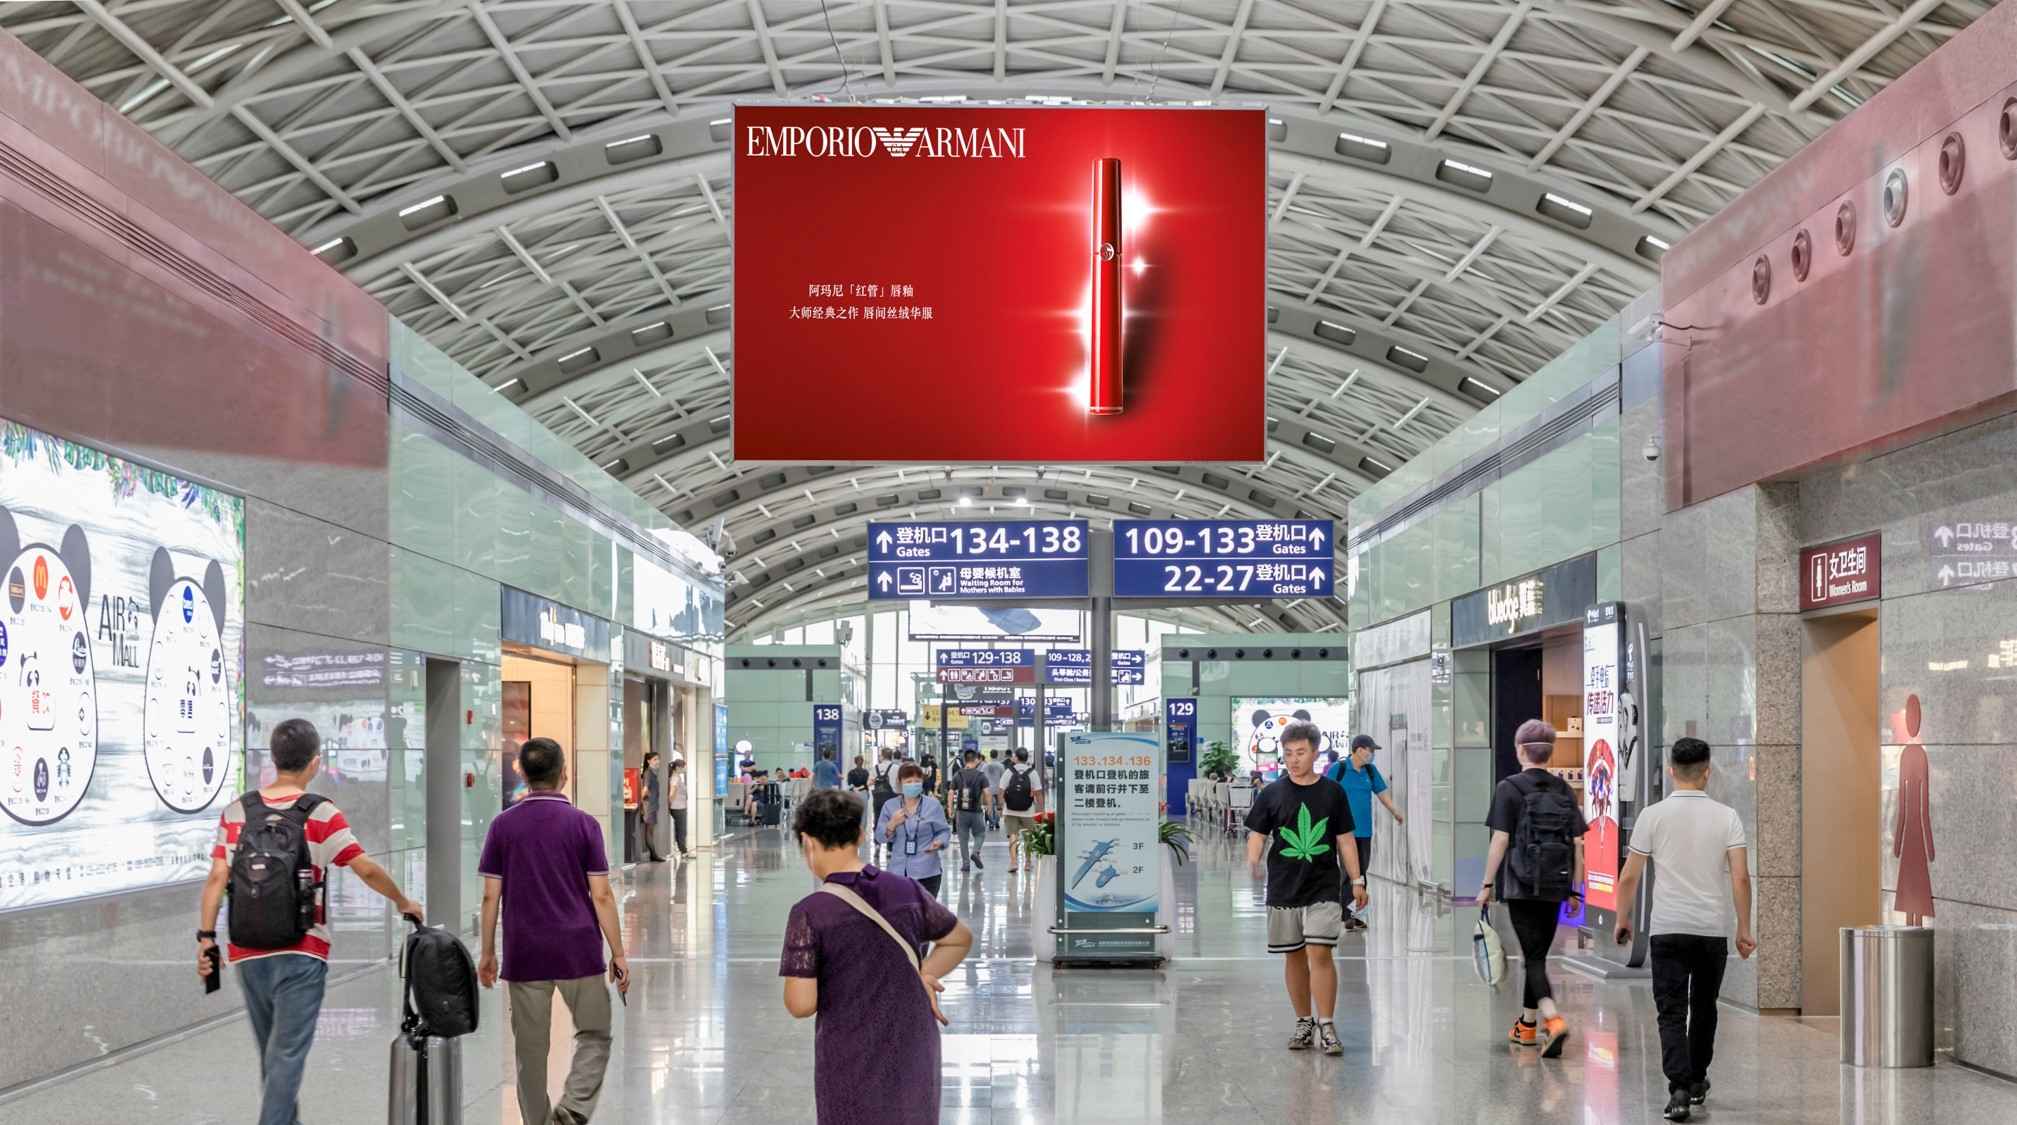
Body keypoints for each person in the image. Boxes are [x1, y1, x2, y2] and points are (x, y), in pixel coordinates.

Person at [196, 719, 423, 1125]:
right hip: (302, 951)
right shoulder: (320, 813)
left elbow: (217, 877)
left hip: (247, 951)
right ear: (315, 763)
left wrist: (206, 938)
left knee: (273, 1057)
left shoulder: (237, 811)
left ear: (273, 758)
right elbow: (365, 868)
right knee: (286, 1057)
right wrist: (403, 901)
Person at [780, 789, 975, 1125]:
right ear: (860, 835)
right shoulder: (906, 890)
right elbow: (959, 939)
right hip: (914, 1045)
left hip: (850, 1051)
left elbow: (801, 1004)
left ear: (807, 842)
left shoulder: (810, 912)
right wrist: (924, 973)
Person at [477, 737, 629, 1125]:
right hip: (579, 950)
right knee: (595, 1032)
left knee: (529, 1053)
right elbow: (601, 895)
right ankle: (573, 1111)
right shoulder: (584, 824)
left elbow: (491, 896)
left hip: (524, 952)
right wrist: (618, 952)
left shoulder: (502, 826)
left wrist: (488, 952)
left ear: (524, 776)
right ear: (564, 773)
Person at [1612, 737, 1754, 1122]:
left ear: (1672, 771)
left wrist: (1623, 918)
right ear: (1707, 773)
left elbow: (1629, 876)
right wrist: (1744, 928)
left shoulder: (1652, 815)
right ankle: (1696, 1079)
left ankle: (1677, 1088)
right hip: (1711, 929)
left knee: (1671, 1011)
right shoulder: (1727, 817)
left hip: (1668, 929)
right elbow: (1740, 878)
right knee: (1705, 1007)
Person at [1244, 720, 1367, 1057]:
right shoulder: (1272, 793)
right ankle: (1303, 1021)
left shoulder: (1333, 792)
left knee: (1320, 952)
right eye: (1288, 753)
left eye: (1300, 752)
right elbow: (1258, 832)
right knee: (1294, 955)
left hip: (1323, 886)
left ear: (1315, 753)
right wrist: (1253, 860)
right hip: (1284, 888)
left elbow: (1345, 839)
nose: (1293, 759)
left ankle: (1326, 1024)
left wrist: (1357, 879)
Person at [1478, 719, 1587, 1059]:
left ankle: (1553, 1020)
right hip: (1556, 884)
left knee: (1533, 957)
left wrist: (1486, 884)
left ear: (1520, 750)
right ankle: (1526, 1026)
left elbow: (1500, 839)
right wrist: (1575, 889)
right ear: (1549, 753)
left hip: (1521, 885)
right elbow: (1578, 844)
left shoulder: (1508, 788)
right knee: (1536, 955)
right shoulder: (1563, 789)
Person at [1325, 735, 1405, 931]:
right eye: (1371, 750)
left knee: (1362, 872)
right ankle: (1347, 915)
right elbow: (1324, 794)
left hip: (1364, 831)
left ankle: (1359, 914)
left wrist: (1395, 811)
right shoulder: (1339, 769)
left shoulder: (1370, 770)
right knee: (1348, 873)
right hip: (1343, 832)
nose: (1373, 754)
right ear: (1359, 750)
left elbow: (1382, 793)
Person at [876, 764, 952, 897]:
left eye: (917, 781)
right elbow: (880, 837)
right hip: (898, 872)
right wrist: (892, 824)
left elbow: (944, 831)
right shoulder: (890, 806)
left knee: (925, 910)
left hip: (927, 871)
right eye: (908, 781)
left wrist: (939, 842)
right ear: (900, 782)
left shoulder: (933, 805)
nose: (913, 784)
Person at [947, 749, 995, 874]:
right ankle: (976, 852)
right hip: (976, 812)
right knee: (980, 834)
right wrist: (989, 807)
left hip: (961, 812)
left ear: (964, 760)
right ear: (976, 760)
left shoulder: (958, 774)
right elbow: (987, 792)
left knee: (963, 839)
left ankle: (966, 864)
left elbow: (951, 792)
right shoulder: (981, 775)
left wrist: (950, 808)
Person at [1001, 747, 1045, 873]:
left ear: (1016, 757)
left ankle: (1013, 862)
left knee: (1012, 835)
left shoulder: (1009, 771)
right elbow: (1038, 793)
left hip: (1010, 810)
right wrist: (1041, 810)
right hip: (1028, 811)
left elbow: (1001, 790)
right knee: (1028, 836)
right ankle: (1028, 863)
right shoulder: (1032, 772)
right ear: (1026, 758)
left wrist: (1000, 806)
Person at [639, 749, 665, 862]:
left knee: (650, 831)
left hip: (652, 806)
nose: (658, 761)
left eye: (658, 759)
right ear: (649, 761)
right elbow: (645, 790)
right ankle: (653, 855)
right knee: (649, 831)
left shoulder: (653, 773)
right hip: (649, 807)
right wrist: (640, 802)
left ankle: (653, 854)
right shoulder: (648, 773)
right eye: (655, 759)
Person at [667, 757, 692, 858]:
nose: (685, 769)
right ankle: (683, 851)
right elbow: (672, 792)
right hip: (678, 807)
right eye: (684, 767)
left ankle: (682, 849)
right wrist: (669, 804)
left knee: (681, 830)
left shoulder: (677, 777)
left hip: (679, 806)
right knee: (681, 830)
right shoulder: (675, 778)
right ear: (678, 768)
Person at [981, 750, 1006, 832]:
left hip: (988, 789)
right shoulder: (1001, 766)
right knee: (998, 806)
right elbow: (1003, 777)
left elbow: (981, 776)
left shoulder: (985, 766)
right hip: (998, 788)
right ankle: (997, 822)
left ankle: (991, 823)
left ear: (990, 755)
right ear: (997, 755)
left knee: (990, 806)